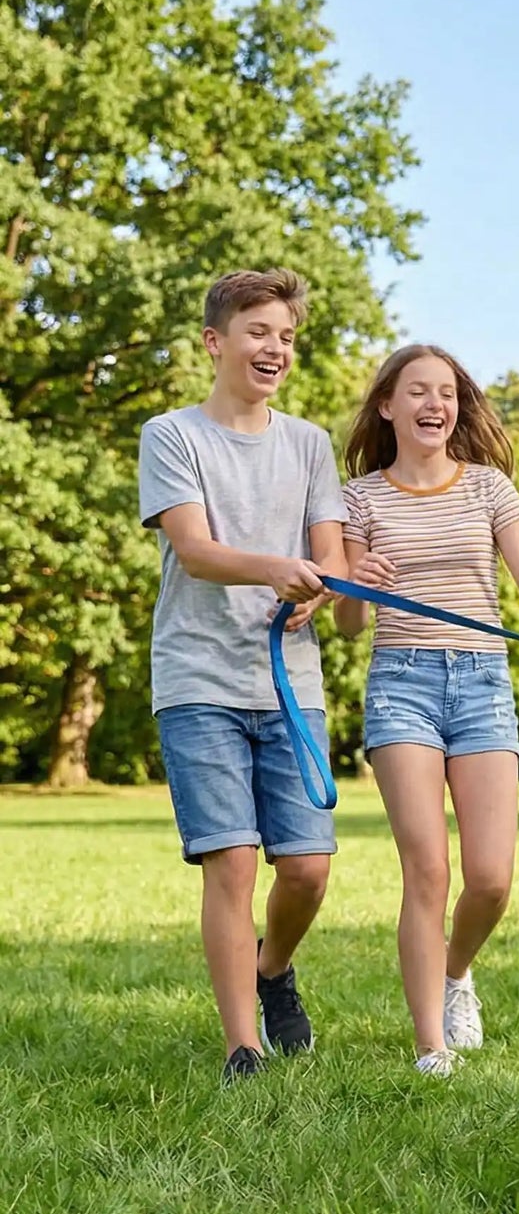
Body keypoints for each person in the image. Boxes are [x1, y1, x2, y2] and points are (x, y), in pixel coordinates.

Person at [336, 344, 519, 1076]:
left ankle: (456, 974)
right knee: (428, 871)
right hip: (402, 683)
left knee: (490, 877)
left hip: (483, 684)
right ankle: (430, 1046)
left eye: (444, 392)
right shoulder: (362, 498)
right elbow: (350, 625)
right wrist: (358, 581)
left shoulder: (487, 488)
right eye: (416, 391)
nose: (433, 404)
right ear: (388, 406)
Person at [138, 267, 348, 1085]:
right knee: (229, 859)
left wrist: (317, 587)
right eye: (259, 332)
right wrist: (279, 569)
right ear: (215, 341)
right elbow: (193, 548)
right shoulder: (173, 434)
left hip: (289, 684)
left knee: (307, 866)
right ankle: (242, 1047)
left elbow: (328, 553)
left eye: (287, 337)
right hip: (197, 679)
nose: (276, 348)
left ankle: (272, 971)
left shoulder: (308, 444)